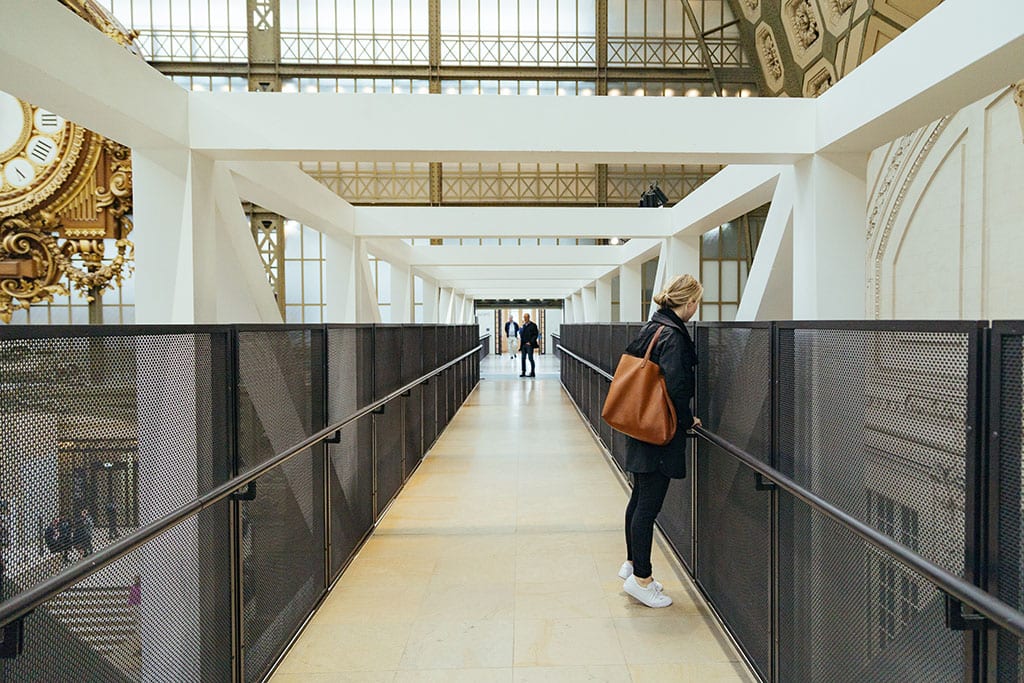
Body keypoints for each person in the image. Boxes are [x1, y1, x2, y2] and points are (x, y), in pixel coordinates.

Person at [619, 274, 703, 608]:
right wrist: (687, 420)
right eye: (696, 301)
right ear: (689, 302)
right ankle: (642, 579)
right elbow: (677, 387)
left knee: (639, 497)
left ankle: (630, 565)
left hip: (640, 422)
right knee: (648, 505)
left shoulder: (651, 329)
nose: (697, 307)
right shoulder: (674, 337)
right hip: (660, 430)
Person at [519, 313, 539, 378]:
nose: (524, 319)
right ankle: (523, 372)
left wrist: (530, 342)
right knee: (523, 358)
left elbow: (535, 334)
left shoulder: (533, 325)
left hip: (530, 345)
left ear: (528, 317)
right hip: (523, 345)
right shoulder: (523, 325)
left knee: (530, 358)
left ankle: (532, 372)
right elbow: (522, 335)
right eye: (524, 317)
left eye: (526, 317)